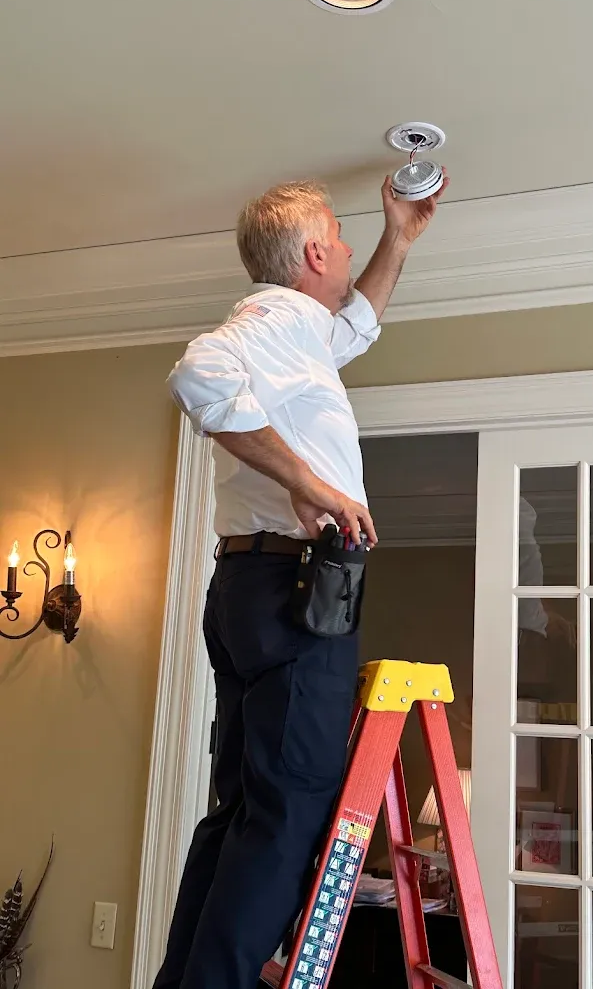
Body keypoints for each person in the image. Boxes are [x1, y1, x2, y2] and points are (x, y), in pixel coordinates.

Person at [155, 172, 448, 989]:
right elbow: (195, 378)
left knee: (245, 812)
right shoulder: (263, 327)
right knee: (287, 817)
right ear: (316, 252)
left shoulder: (301, 336)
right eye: (345, 239)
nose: (350, 252)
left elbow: (354, 326)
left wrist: (398, 236)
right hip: (289, 591)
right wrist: (311, 485)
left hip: (258, 588)